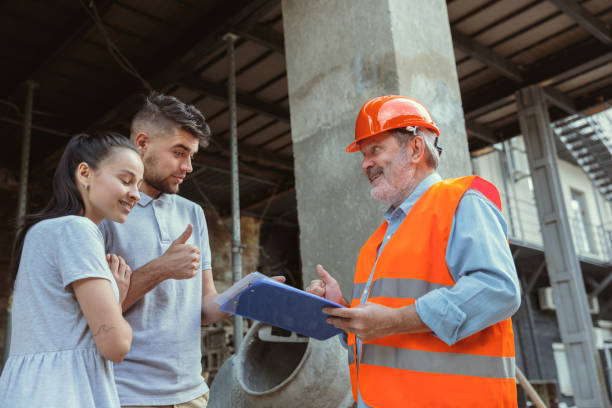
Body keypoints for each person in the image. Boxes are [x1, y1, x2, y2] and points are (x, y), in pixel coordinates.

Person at [306, 95, 521, 407]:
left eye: (375, 150)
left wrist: (396, 320)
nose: (365, 163)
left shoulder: (461, 201)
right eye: (363, 155)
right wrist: (342, 310)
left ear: (416, 148)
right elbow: (381, 332)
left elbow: (498, 290)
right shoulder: (377, 242)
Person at [99, 92, 287, 408]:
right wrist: (162, 267)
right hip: (125, 394)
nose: (187, 166)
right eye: (179, 152)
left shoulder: (192, 213)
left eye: (192, 155)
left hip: (192, 394)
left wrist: (250, 294)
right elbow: (94, 314)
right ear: (142, 143)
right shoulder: (105, 211)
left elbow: (204, 308)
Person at [0, 132, 143, 407]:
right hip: (65, 392)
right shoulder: (77, 229)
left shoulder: (41, 232)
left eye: (138, 184)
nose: (135, 194)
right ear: (85, 173)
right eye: (125, 180)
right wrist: (118, 299)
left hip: (28, 389)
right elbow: (115, 345)